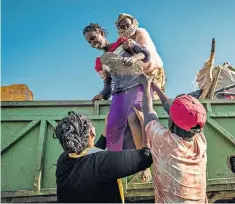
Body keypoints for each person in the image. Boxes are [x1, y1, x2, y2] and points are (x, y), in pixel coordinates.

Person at [83, 23, 152, 181]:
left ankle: (144, 164)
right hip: (119, 93)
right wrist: (102, 94)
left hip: (137, 86)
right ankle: (120, 166)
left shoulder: (123, 42)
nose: (93, 43)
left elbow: (145, 54)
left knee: (133, 117)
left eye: (94, 38)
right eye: (90, 42)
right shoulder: (99, 62)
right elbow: (108, 84)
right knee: (112, 127)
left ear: (101, 32)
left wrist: (134, 58)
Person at [54, 111, 153, 203]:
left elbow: (91, 152)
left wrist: (108, 127)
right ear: (91, 133)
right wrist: (144, 123)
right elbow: (146, 157)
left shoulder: (63, 159)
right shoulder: (102, 163)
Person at [139, 74, 208, 203]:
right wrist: (156, 88)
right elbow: (172, 108)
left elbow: (148, 113)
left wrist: (146, 85)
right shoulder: (200, 141)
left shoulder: (166, 143)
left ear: (171, 121)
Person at [115, 13, 166, 100]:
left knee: (153, 99)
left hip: (153, 71)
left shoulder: (141, 32)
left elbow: (146, 52)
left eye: (128, 25)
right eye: (122, 27)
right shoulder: (122, 42)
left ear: (132, 23)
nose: (126, 28)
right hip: (139, 76)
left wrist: (133, 58)